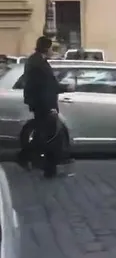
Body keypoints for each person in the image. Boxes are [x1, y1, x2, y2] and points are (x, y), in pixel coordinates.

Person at [20, 36, 65, 177]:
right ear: (46, 48)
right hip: (43, 105)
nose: (53, 51)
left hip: (39, 104)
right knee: (50, 136)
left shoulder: (36, 60)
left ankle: (37, 162)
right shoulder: (39, 64)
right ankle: (46, 168)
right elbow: (45, 88)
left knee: (43, 135)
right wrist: (51, 107)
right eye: (52, 48)